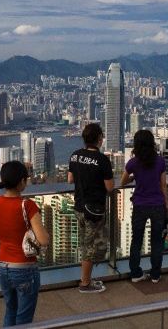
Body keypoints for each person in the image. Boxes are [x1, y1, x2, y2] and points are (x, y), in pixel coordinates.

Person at [0, 161, 49, 327]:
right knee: (23, 318)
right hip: (24, 268)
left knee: (10, 310)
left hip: (3, 267)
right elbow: (43, 239)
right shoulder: (28, 205)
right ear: (22, 182)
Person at [68, 123, 114, 293]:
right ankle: (85, 283)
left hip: (78, 207)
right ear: (99, 139)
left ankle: (86, 278)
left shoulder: (75, 155)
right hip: (94, 209)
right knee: (91, 247)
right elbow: (109, 187)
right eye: (101, 136)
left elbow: (70, 179)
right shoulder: (102, 160)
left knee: (85, 243)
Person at [120, 130, 168, 283]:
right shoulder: (160, 161)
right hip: (157, 205)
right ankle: (155, 274)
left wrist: (135, 176)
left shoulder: (133, 162)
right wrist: (166, 205)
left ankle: (135, 273)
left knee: (136, 240)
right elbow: (164, 185)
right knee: (157, 241)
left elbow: (122, 182)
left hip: (140, 205)